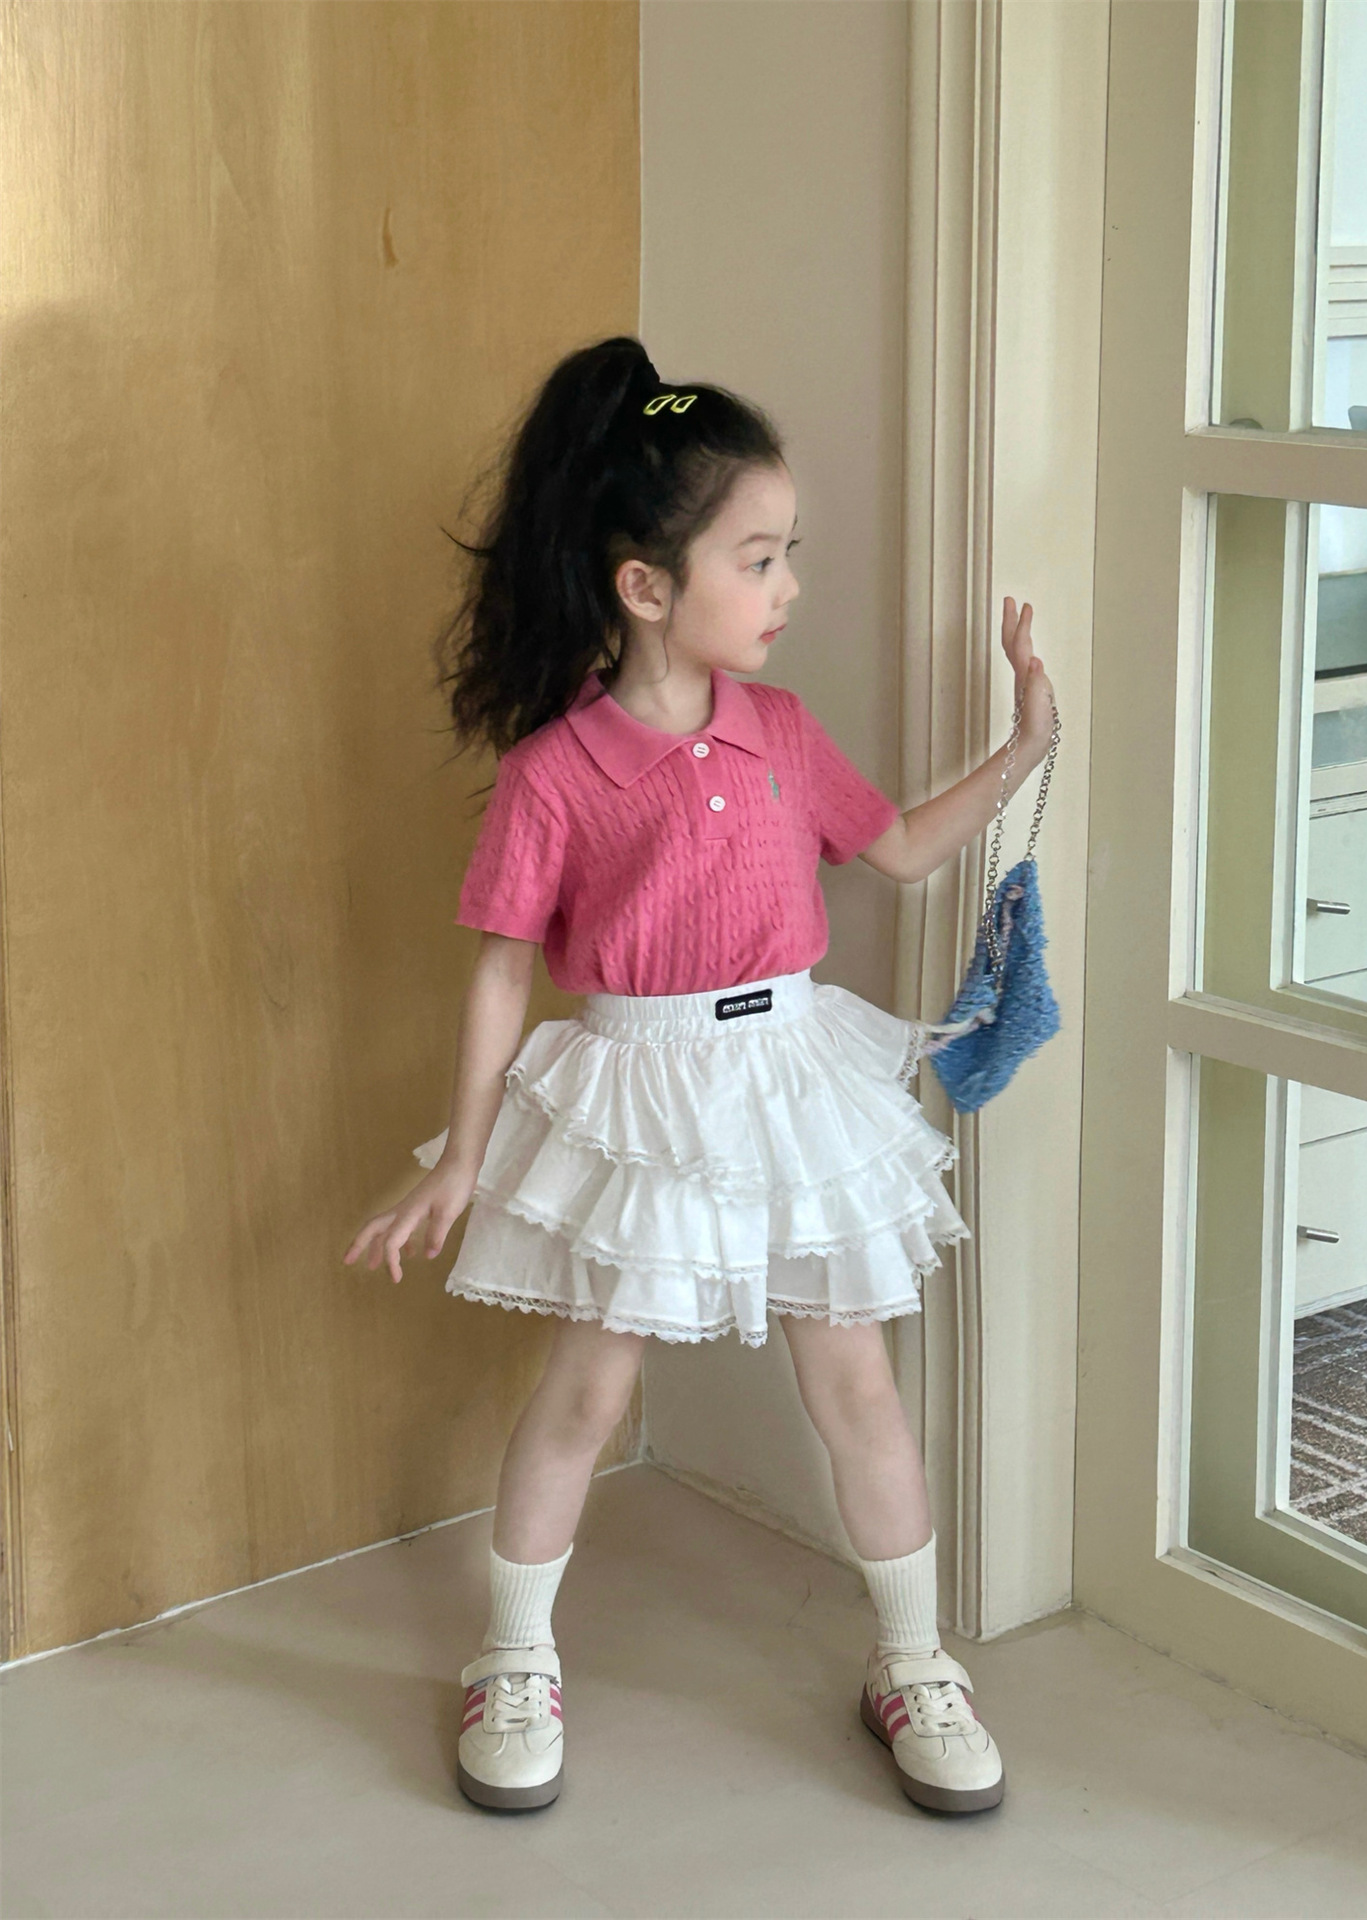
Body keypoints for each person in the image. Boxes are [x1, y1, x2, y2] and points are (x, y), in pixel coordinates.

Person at [343, 335, 1057, 1818]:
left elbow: (897, 849)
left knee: (855, 1378)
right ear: (646, 586)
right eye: (759, 557)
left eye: (790, 554)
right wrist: (461, 1158)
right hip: (638, 1088)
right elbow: (500, 968)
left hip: (791, 1076)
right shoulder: (555, 774)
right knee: (588, 1389)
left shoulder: (782, 731)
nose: (788, 586)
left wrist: (1025, 747)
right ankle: (513, 1657)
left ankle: (914, 1661)